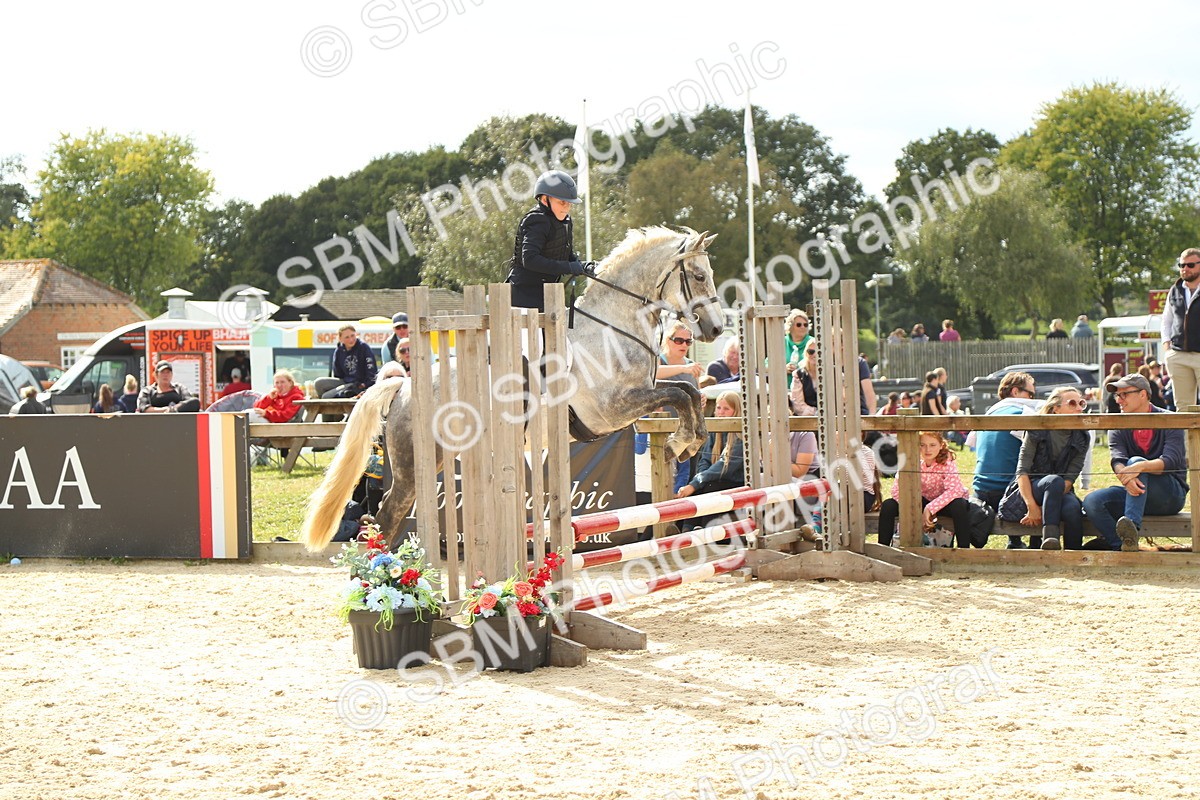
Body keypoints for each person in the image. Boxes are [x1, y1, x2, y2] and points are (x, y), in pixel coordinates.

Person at [1082, 374, 1188, 551]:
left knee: (1137, 461)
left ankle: (1132, 526)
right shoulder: (1117, 424)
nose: (1119, 400)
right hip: (1135, 490)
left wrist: (1140, 467)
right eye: (1117, 395)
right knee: (1092, 501)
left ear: (1143, 394)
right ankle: (1127, 545)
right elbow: (1117, 459)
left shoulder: (1170, 419)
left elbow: (1170, 461)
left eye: (1124, 394)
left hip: (1170, 496)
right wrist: (1128, 477)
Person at [997, 387, 1089, 550]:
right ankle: (1050, 539)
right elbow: (1022, 470)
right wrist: (1032, 506)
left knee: (1072, 507)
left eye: (1081, 403)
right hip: (1030, 487)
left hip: (1060, 490)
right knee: (1053, 481)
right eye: (1072, 403)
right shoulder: (1036, 429)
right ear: (1056, 409)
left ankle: (1074, 555)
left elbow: (1070, 478)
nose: (1079, 408)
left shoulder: (1082, 436)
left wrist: (1049, 502)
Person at [505, 169, 595, 311]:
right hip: (524, 297)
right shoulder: (536, 220)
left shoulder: (566, 221)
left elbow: (566, 255)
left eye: (569, 203)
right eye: (562, 202)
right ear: (545, 199)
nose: (566, 208)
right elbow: (530, 259)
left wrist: (583, 266)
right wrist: (569, 267)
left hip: (548, 295)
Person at [971, 372, 1040, 549]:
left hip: (980, 490)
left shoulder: (988, 413)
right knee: (1045, 480)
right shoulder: (1023, 412)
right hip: (1007, 494)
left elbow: (973, 444)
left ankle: (1016, 540)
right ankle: (1036, 542)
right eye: (1030, 394)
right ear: (1015, 392)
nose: (1033, 398)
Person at [877, 432, 975, 548]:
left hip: (944, 502)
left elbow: (955, 490)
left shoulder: (947, 461)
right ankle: (882, 549)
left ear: (941, 445)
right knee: (888, 505)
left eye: (932, 445)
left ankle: (963, 550)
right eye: (922, 445)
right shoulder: (911, 460)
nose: (927, 449)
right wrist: (915, 509)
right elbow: (897, 491)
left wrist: (931, 508)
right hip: (919, 501)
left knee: (959, 504)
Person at [677, 391, 744, 530]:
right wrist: (698, 482)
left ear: (736, 411)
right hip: (713, 480)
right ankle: (686, 532)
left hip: (735, 482)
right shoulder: (715, 431)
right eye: (719, 408)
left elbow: (724, 466)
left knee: (709, 489)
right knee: (697, 491)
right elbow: (705, 460)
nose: (721, 412)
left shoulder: (741, 435)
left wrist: (697, 483)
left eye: (726, 409)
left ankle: (705, 532)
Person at [658, 320, 704, 494]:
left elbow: (696, 394)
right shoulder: (659, 361)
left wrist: (700, 401)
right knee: (661, 480)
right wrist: (683, 369)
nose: (684, 344)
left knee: (684, 482)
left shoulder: (691, 366)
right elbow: (653, 373)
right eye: (679, 340)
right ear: (667, 341)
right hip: (661, 433)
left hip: (686, 433)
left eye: (688, 341)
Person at [1160, 248, 1200, 410]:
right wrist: (1167, 347)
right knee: (1183, 408)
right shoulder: (1175, 290)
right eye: (1181, 265)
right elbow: (1166, 320)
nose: (1185, 269)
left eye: (1190, 265)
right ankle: (1184, 437)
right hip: (1178, 355)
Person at [320, 325, 378, 399]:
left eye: (353, 336)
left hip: (358, 384)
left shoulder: (364, 348)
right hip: (345, 382)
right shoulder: (339, 351)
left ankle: (328, 408)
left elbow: (372, 371)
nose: (351, 339)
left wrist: (365, 384)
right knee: (319, 384)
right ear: (340, 339)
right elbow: (337, 374)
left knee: (326, 396)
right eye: (347, 337)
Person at [783, 309, 813, 389]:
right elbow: (767, 366)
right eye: (799, 325)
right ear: (790, 326)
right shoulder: (781, 342)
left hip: (808, 388)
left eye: (805, 325)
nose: (803, 327)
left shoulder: (813, 342)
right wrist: (784, 369)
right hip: (784, 390)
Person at [788, 341, 819, 415]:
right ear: (806, 354)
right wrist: (816, 413)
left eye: (819, 351)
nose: (814, 355)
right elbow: (798, 405)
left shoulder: (834, 372)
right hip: (806, 419)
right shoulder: (798, 374)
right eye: (811, 351)